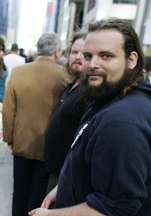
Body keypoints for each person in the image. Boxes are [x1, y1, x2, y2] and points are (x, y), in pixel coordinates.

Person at [29, 18, 151, 216]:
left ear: (132, 60)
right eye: (88, 55)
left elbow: (114, 208)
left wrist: (52, 215)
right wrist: (60, 189)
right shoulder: (108, 96)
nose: (92, 64)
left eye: (106, 56)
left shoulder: (121, 122)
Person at [2, 32, 69, 216]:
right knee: (38, 192)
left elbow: (8, 109)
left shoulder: (19, 72)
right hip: (48, 145)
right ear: (57, 52)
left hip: (22, 141)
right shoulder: (64, 76)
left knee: (20, 190)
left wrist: (9, 137)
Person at [44, 31, 88, 192]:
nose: (78, 57)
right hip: (55, 171)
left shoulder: (89, 93)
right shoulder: (71, 86)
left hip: (67, 178)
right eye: (74, 52)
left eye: (84, 53)